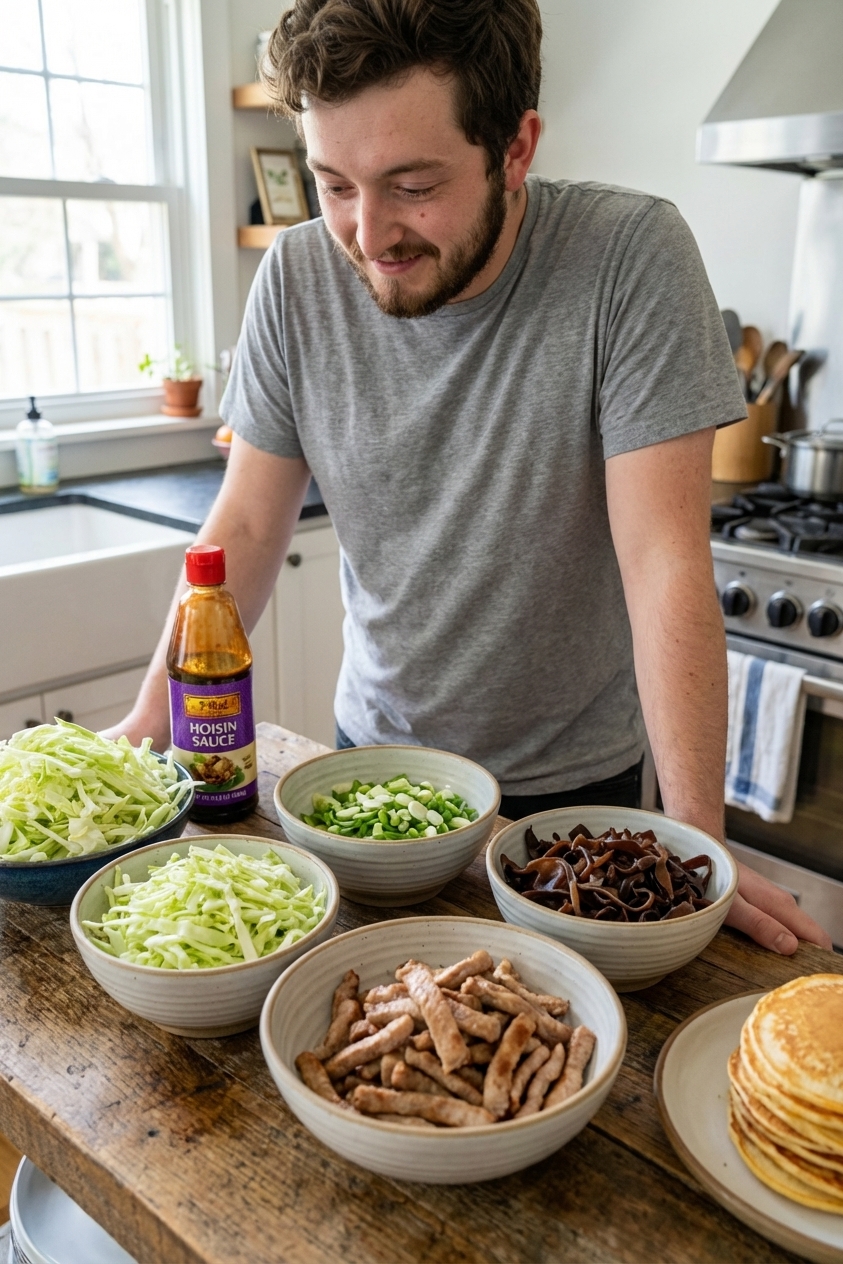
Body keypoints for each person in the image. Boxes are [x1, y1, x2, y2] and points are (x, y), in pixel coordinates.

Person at [108, 0, 830, 955]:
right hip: (368, 771)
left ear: (516, 146)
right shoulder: (292, 276)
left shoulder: (629, 258)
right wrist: (141, 732)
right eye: (332, 185)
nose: (368, 234)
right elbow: (239, 533)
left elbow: (661, 558)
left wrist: (697, 848)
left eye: (412, 185)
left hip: (572, 801)